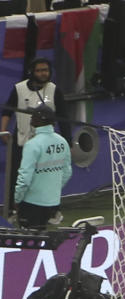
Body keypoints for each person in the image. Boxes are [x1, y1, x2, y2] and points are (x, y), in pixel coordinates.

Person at [1, 57, 72, 211]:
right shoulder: (19, 88)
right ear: (32, 72)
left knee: (46, 178)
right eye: (39, 70)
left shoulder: (54, 90)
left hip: (46, 147)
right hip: (22, 142)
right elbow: (7, 111)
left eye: (45, 70)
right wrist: (2, 131)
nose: (42, 73)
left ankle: (50, 209)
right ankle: (15, 210)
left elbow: (63, 119)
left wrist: (69, 143)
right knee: (19, 178)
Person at [13, 106, 71, 230]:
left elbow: (25, 177)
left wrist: (17, 199)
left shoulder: (32, 144)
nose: (31, 118)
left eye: (34, 115)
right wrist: (52, 190)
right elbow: (67, 172)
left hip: (31, 203)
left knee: (29, 242)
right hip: (53, 202)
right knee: (44, 237)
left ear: (40, 120)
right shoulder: (62, 142)